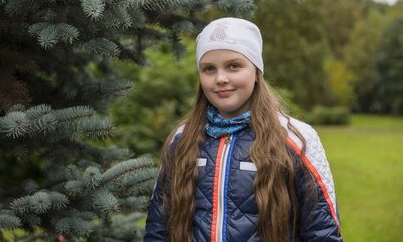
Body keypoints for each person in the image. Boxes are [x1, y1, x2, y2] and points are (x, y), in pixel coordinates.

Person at [144, 17, 342, 242]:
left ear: (256, 72)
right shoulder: (182, 139)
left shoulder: (295, 138)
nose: (220, 78)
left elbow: (322, 232)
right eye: (209, 69)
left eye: (234, 66)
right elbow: (158, 230)